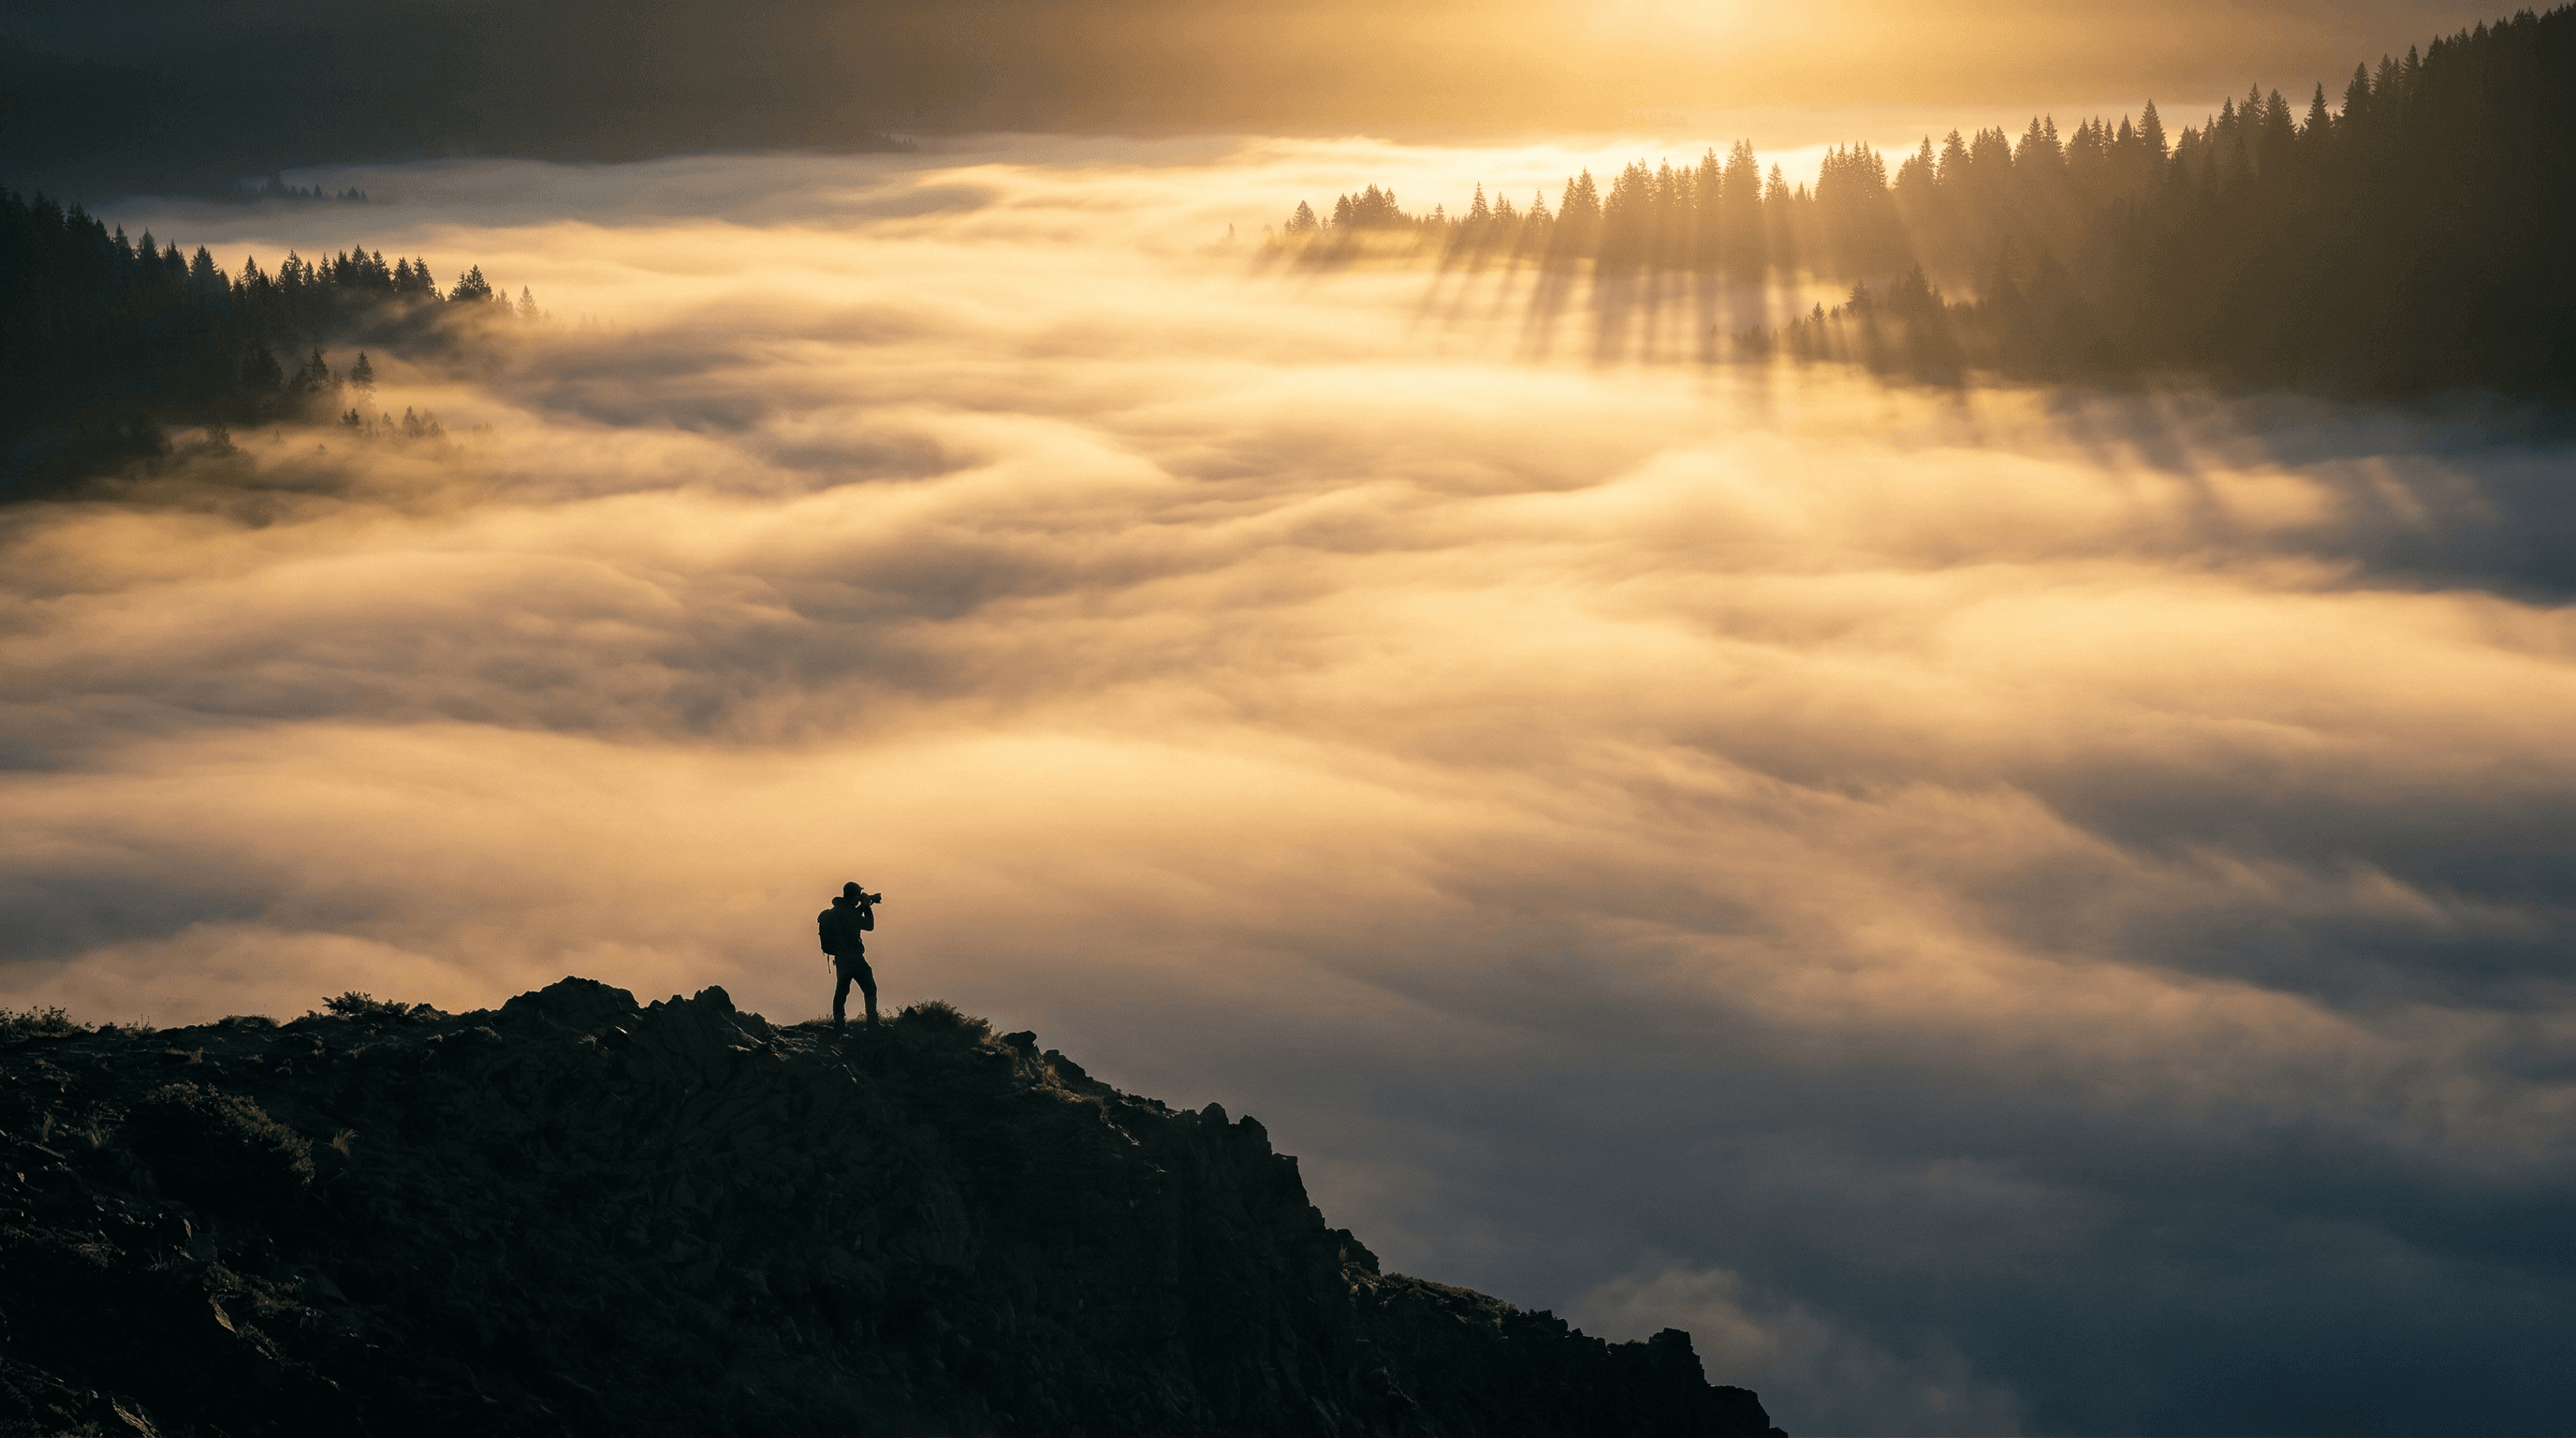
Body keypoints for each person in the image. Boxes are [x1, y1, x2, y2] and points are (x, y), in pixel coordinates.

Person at [818, 881, 880, 1027]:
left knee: (842, 990)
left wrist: (863, 905)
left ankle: (839, 1022)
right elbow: (869, 925)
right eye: (858, 895)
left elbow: (850, 917)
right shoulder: (850, 912)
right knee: (870, 988)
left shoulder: (838, 910)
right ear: (854, 896)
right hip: (855, 958)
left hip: (841, 958)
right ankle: (873, 1023)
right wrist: (867, 908)